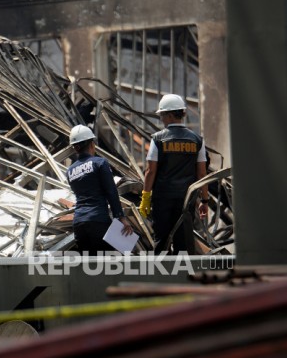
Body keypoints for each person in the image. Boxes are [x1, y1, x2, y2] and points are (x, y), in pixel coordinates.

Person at [138, 94, 209, 255]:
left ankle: (161, 276)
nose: (161, 119)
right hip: (186, 200)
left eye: (162, 115)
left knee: (161, 241)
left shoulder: (158, 139)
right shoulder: (197, 140)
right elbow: (202, 173)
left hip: (162, 198)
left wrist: (145, 197)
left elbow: (150, 171)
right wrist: (204, 200)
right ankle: (182, 277)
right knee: (182, 243)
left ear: (169, 115)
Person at [66, 124, 133, 255]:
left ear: (75, 148)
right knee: (106, 266)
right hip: (98, 221)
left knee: (88, 267)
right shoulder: (99, 163)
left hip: (79, 224)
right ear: (92, 144)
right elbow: (111, 192)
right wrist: (121, 217)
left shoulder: (70, 170)